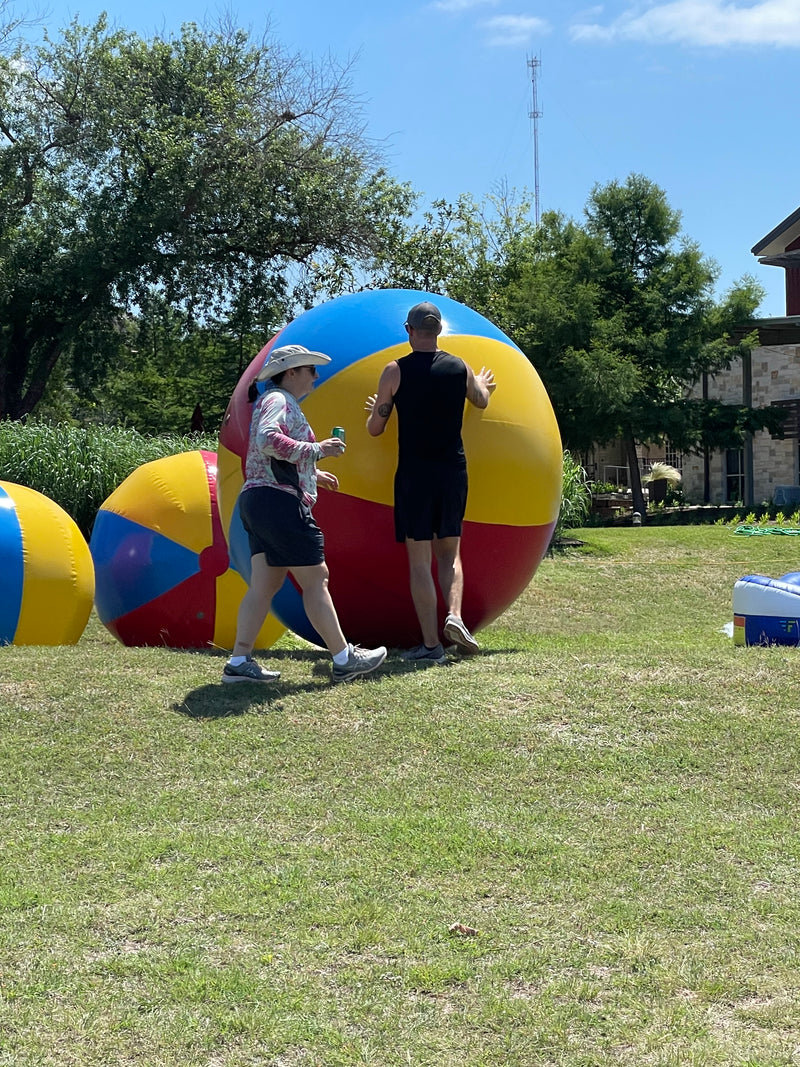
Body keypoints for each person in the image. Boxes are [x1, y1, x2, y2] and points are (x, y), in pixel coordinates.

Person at [223, 343, 387, 685]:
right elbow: (269, 439)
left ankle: (239, 661)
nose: (316, 375)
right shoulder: (279, 400)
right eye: (311, 369)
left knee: (264, 584)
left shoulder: (272, 401)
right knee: (316, 578)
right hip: (278, 503)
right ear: (292, 372)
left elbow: (269, 454)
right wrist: (317, 449)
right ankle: (344, 658)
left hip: (257, 500)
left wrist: (310, 472)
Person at [365, 301, 496, 662]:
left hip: (414, 474)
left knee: (420, 561)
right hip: (452, 470)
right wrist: (482, 384)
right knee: (449, 554)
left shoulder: (394, 371)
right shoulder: (459, 367)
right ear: (439, 331)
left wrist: (379, 408)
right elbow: (481, 400)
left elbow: (375, 428)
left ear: (409, 331)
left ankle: (431, 646)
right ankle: (454, 616)